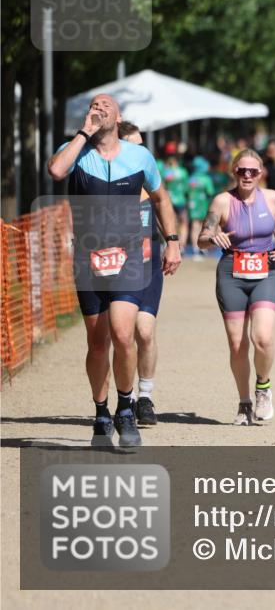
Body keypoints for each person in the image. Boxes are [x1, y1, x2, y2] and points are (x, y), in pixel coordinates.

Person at [46, 94, 182, 446]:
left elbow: (160, 198)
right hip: (88, 258)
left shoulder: (139, 157)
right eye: (95, 105)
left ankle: (125, 408)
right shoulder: (76, 152)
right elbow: (56, 171)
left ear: (118, 117)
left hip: (130, 256)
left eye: (107, 105)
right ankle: (101, 412)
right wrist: (83, 132)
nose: (100, 108)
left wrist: (172, 241)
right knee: (97, 343)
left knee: (123, 334)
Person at [197, 149, 275, 425]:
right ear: (233, 171)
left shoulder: (272, 198)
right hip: (231, 274)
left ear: (261, 173)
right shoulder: (222, 201)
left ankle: (263, 387)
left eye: (253, 171)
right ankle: (244, 402)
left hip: (265, 272)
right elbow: (201, 239)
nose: (247, 175)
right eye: (242, 170)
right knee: (237, 344)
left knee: (263, 338)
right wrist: (214, 238)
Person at [116, 121, 164, 425]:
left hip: (148, 262)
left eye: (142, 145)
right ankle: (127, 397)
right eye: (134, 146)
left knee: (144, 331)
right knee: (123, 335)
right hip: (117, 265)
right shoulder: (109, 182)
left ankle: (145, 396)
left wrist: (173, 243)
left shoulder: (151, 179)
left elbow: (165, 209)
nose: (141, 152)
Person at [187, 156, 215, 261]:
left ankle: (195, 249)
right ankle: (202, 247)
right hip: (204, 205)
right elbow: (210, 192)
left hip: (192, 204)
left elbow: (186, 191)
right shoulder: (206, 179)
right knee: (204, 226)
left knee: (194, 225)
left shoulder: (191, 178)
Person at [161, 152, 189, 254]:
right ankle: (182, 246)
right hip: (181, 200)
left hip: (169, 200)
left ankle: (168, 244)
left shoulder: (165, 172)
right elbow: (186, 188)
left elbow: (162, 187)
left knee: (170, 223)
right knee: (184, 223)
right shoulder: (183, 172)